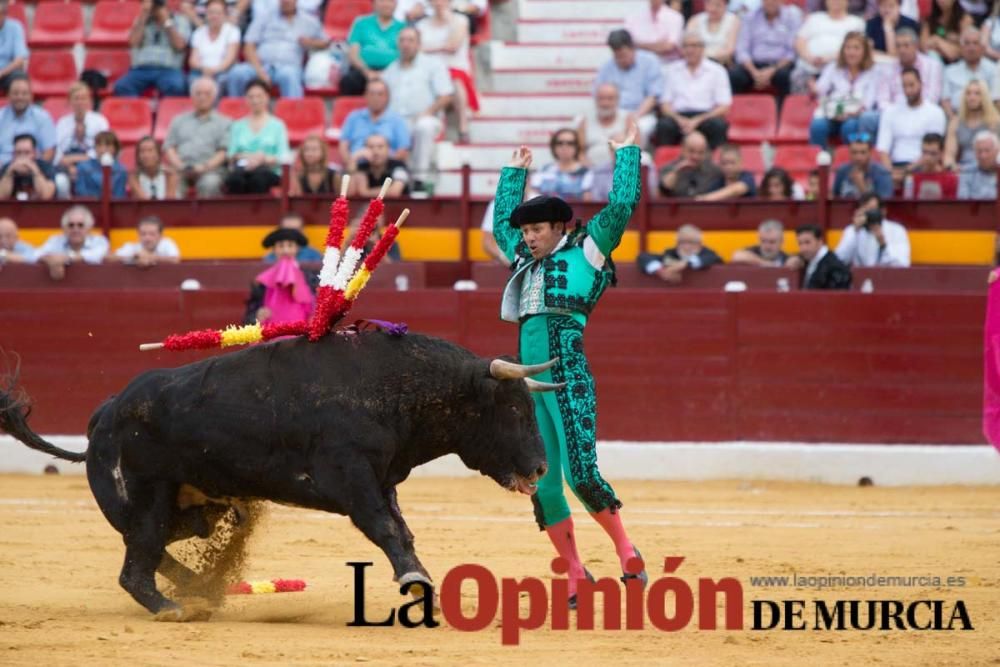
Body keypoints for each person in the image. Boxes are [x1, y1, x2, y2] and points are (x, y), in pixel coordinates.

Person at [490, 124, 648, 609]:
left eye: (536, 229)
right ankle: (577, 572)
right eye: (525, 230)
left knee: (581, 473)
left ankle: (626, 550)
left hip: (569, 374)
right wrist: (512, 175)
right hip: (528, 382)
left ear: (559, 228)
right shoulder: (522, 256)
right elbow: (500, 226)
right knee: (542, 479)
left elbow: (620, 208)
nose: (527, 237)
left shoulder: (588, 250)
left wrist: (627, 158)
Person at [381, 27, 454, 187]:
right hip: (396, 121)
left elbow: (446, 95)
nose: (406, 44)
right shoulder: (389, 70)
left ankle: (419, 179)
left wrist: (427, 112)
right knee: (381, 130)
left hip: (426, 117)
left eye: (410, 40)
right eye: (402, 40)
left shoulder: (433, 65)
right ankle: (390, 179)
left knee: (424, 126)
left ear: (419, 43)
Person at [226, 0, 328, 99]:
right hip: (261, 65)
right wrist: (259, 71)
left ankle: (292, 114)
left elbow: (326, 43)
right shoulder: (265, 17)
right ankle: (235, 112)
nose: (286, 1)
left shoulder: (309, 21)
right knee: (237, 73)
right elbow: (249, 45)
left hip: (288, 67)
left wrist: (311, 42)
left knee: (290, 76)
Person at [655, 31, 733, 149]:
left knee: (719, 126)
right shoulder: (671, 70)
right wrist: (679, 119)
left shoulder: (717, 71)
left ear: (702, 48)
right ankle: (667, 164)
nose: (690, 50)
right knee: (664, 125)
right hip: (678, 117)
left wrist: (698, 120)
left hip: (706, 116)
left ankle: (713, 165)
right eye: (686, 46)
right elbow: (665, 105)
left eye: (694, 46)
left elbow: (724, 107)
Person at [807, 31, 884, 150]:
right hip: (833, 113)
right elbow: (821, 90)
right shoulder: (833, 67)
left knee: (849, 127)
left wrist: (850, 113)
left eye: (856, 48)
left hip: (856, 114)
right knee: (817, 126)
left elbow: (869, 102)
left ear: (865, 52)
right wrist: (814, 89)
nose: (851, 52)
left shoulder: (874, 71)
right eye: (848, 48)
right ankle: (818, 163)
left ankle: (846, 164)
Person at [417, 0, 478, 143]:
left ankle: (463, 126)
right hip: (429, 70)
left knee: (453, 79)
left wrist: (448, 20)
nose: (439, 2)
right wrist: (440, 47)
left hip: (455, 69)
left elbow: (453, 45)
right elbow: (416, 50)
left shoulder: (460, 20)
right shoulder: (421, 24)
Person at [875, 67, 947, 187]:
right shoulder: (890, 112)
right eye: (904, 86)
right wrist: (891, 172)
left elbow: (933, 150)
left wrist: (906, 171)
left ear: (921, 84)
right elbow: (883, 150)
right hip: (895, 165)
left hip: (922, 165)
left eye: (911, 85)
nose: (908, 90)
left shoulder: (935, 112)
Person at [163, 77, 231, 197]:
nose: (202, 97)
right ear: (192, 97)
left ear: (214, 97)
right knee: (173, 182)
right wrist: (180, 166)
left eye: (207, 94)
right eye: (198, 93)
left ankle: (208, 216)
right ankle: (174, 216)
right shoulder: (178, 120)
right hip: (182, 168)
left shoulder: (225, 122)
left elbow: (223, 152)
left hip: (211, 170)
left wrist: (204, 167)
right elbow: (169, 147)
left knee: (209, 184)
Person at [594, 30, 664, 147]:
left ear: (632, 48)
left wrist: (634, 117)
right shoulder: (607, 67)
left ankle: (635, 162)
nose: (620, 59)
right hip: (614, 114)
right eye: (617, 56)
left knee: (638, 128)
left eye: (623, 55)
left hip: (641, 113)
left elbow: (653, 96)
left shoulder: (650, 62)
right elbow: (599, 94)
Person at [113, 0, 192, 97]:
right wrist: (144, 16)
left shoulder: (180, 20)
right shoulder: (141, 20)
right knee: (122, 86)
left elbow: (180, 46)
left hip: (169, 69)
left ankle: (165, 111)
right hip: (141, 69)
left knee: (177, 86)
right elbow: (133, 43)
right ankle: (140, 111)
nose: (155, 9)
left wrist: (166, 21)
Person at [225, 79, 290, 194]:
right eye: (251, 97)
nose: (255, 100)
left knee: (258, 179)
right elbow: (231, 154)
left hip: (269, 170)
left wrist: (263, 159)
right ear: (245, 99)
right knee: (234, 179)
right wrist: (247, 157)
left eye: (259, 96)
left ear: (267, 97)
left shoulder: (278, 125)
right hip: (243, 168)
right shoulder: (237, 125)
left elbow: (283, 156)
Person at [730, 0, 802, 100]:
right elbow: (742, 50)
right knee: (735, 76)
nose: (770, 2)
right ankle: (736, 113)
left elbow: (791, 52)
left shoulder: (791, 18)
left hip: (779, 65)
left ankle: (781, 113)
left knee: (785, 77)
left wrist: (772, 70)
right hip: (753, 65)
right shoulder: (750, 17)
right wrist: (754, 72)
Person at [244, 227, 317, 325]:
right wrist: (257, 315)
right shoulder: (262, 282)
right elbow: (249, 315)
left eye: (290, 245)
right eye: (281, 246)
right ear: (274, 250)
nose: (285, 250)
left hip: (301, 335)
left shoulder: (309, 278)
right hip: (272, 334)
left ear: (297, 248)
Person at [791, 0, 865, 93]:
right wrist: (809, 57)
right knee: (797, 78)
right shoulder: (814, 18)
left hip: (840, 71)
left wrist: (828, 59)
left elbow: (859, 49)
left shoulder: (856, 22)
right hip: (808, 68)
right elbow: (799, 41)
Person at [338, 79, 411, 171]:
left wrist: (379, 157)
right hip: (357, 168)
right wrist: (351, 162)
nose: (376, 98)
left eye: (380, 94)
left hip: (387, 171)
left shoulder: (397, 120)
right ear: (365, 95)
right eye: (372, 94)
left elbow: (403, 152)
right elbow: (343, 146)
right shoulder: (354, 117)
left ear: (387, 97)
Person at [53, 83, 110, 198]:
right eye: (76, 99)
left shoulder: (100, 121)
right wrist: (68, 166)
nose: (80, 102)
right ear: (69, 101)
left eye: (83, 98)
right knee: (60, 181)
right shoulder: (62, 122)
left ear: (89, 101)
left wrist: (78, 163)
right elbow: (57, 149)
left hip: (92, 163)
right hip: (66, 164)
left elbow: (105, 148)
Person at [341, 0, 406, 96]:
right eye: (382, 1)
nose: (386, 4)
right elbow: (353, 53)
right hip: (363, 70)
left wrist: (385, 74)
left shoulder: (403, 27)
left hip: (392, 71)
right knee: (349, 82)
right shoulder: (361, 23)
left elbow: (405, 55)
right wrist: (367, 72)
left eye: (390, 1)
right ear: (374, 4)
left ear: (396, 4)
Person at [835, 192, 911, 267]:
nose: (868, 215)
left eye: (872, 210)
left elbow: (902, 264)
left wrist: (883, 244)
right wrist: (854, 231)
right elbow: (839, 260)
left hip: (887, 277)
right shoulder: (852, 230)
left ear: (883, 211)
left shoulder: (897, 230)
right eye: (865, 211)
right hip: (860, 277)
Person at [35, 205, 110, 279]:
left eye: (80, 225)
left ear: (89, 228)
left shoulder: (99, 241)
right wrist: (50, 261)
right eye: (71, 225)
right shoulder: (56, 240)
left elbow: (96, 255)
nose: (75, 229)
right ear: (64, 228)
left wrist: (66, 258)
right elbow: (36, 255)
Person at [636, 223, 724, 284]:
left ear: (700, 244)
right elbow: (643, 257)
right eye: (683, 242)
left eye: (692, 242)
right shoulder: (671, 254)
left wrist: (685, 264)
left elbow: (715, 259)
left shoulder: (708, 254)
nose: (687, 247)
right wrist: (661, 271)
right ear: (677, 243)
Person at [941, 27, 1000, 116]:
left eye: (975, 43)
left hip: (987, 120)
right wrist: (953, 120)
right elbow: (945, 99)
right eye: (967, 43)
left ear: (982, 48)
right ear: (961, 48)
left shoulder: (993, 69)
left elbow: (996, 100)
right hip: (956, 118)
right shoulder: (949, 71)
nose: (971, 47)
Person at [944, 79, 1000, 169]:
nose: (972, 97)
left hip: (988, 169)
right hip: (963, 169)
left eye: (977, 93)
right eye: (968, 93)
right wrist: (952, 166)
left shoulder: (994, 121)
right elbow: (949, 155)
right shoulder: (955, 122)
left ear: (984, 97)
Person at [0, 77, 55, 164]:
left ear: (31, 96)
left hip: (33, 168)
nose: (20, 97)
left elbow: (49, 151)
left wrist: (37, 170)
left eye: (24, 93)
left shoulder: (42, 117)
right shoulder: (1, 117)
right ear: (8, 96)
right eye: (15, 93)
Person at [187, 0, 240, 90]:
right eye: (211, 12)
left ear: (225, 14)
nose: (214, 16)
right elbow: (193, 60)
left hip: (223, 71)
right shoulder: (198, 33)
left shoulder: (232, 31)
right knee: (193, 80)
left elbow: (229, 59)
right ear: (206, 14)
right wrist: (204, 69)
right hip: (202, 71)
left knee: (222, 80)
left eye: (218, 13)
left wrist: (214, 70)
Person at [529, 129, 593, 201]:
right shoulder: (543, 170)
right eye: (560, 143)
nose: (564, 147)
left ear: (577, 147)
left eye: (570, 143)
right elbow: (532, 196)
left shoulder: (586, 173)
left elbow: (587, 202)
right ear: (554, 146)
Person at [576, 84, 629, 167]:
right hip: (591, 170)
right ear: (595, 100)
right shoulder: (584, 121)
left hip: (621, 169)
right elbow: (579, 151)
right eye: (601, 98)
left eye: (610, 98)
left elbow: (637, 148)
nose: (605, 103)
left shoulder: (628, 119)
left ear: (617, 100)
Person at [658, 131, 724, 197]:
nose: (696, 156)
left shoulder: (715, 171)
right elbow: (663, 190)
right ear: (682, 149)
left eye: (701, 152)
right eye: (691, 151)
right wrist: (677, 172)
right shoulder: (669, 168)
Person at [886, 28, 943, 106]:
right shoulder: (888, 68)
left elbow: (933, 97)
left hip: (924, 113)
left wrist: (913, 111)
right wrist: (897, 112)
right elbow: (883, 100)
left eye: (906, 45)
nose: (901, 50)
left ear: (916, 46)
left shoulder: (932, 66)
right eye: (898, 46)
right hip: (895, 114)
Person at [788, 224, 852, 289]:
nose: (803, 248)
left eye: (807, 242)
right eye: (800, 243)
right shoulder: (806, 259)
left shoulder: (834, 267)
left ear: (820, 241)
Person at [832, 134, 894, 199]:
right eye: (854, 152)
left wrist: (861, 185)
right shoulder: (842, 171)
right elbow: (836, 197)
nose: (858, 157)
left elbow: (883, 204)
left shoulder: (882, 173)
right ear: (849, 153)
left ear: (870, 153)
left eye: (863, 152)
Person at [351, 133, 410, 197]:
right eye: (371, 147)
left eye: (380, 147)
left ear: (388, 149)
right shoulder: (361, 167)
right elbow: (350, 192)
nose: (375, 151)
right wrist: (354, 159)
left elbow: (394, 191)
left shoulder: (399, 166)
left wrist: (365, 192)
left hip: (397, 206)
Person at [0, 134, 56, 201]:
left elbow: (46, 195)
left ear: (34, 153)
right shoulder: (7, 168)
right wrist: (9, 173)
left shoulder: (45, 167)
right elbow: (1, 196)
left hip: (39, 209)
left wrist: (34, 170)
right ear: (13, 154)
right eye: (18, 152)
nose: (22, 157)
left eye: (27, 153)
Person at [74, 131, 129, 198]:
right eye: (99, 145)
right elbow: (80, 192)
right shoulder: (83, 167)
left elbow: (119, 196)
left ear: (115, 148)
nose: (103, 149)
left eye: (107, 145)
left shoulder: (121, 170)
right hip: (88, 206)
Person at [904, 132, 959, 198]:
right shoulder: (913, 178)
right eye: (924, 152)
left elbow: (951, 206)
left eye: (933, 153)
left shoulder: (950, 179)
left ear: (941, 154)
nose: (928, 157)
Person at [110, 216, 181, 266]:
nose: (147, 238)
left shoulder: (167, 244)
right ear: (138, 235)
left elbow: (175, 259)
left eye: (152, 234)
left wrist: (150, 257)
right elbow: (109, 258)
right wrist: (134, 257)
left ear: (160, 235)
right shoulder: (132, 247)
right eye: (143, 234)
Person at [687, 0, 741, 66]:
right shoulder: (695, 19)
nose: (713, 8)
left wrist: (708, 57)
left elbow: (730, 49)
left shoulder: (734, 20)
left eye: (718, 5)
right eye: (709, 4)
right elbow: (688, 44)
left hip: (721, 63)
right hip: (696, 62)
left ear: (726, 5)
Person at [921, 0, 972, 65]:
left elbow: (964, 48)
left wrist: (936, 41)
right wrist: (938, 40)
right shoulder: (930, 19)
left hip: (959, 63)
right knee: (932, 55)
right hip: (935, 60)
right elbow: (924, 46)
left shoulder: (964, 18)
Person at [958, 130, 1000, 199]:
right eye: (979, 151)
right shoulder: (967, 172)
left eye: (987, 151)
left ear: (997, 151)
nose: (983, 156)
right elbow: (963, 203)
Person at [0, 0, 28, 93]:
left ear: (4, 14)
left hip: (6, 73)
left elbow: (19, 60)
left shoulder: (15, 27)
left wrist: (1, 73)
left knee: (20, 78)